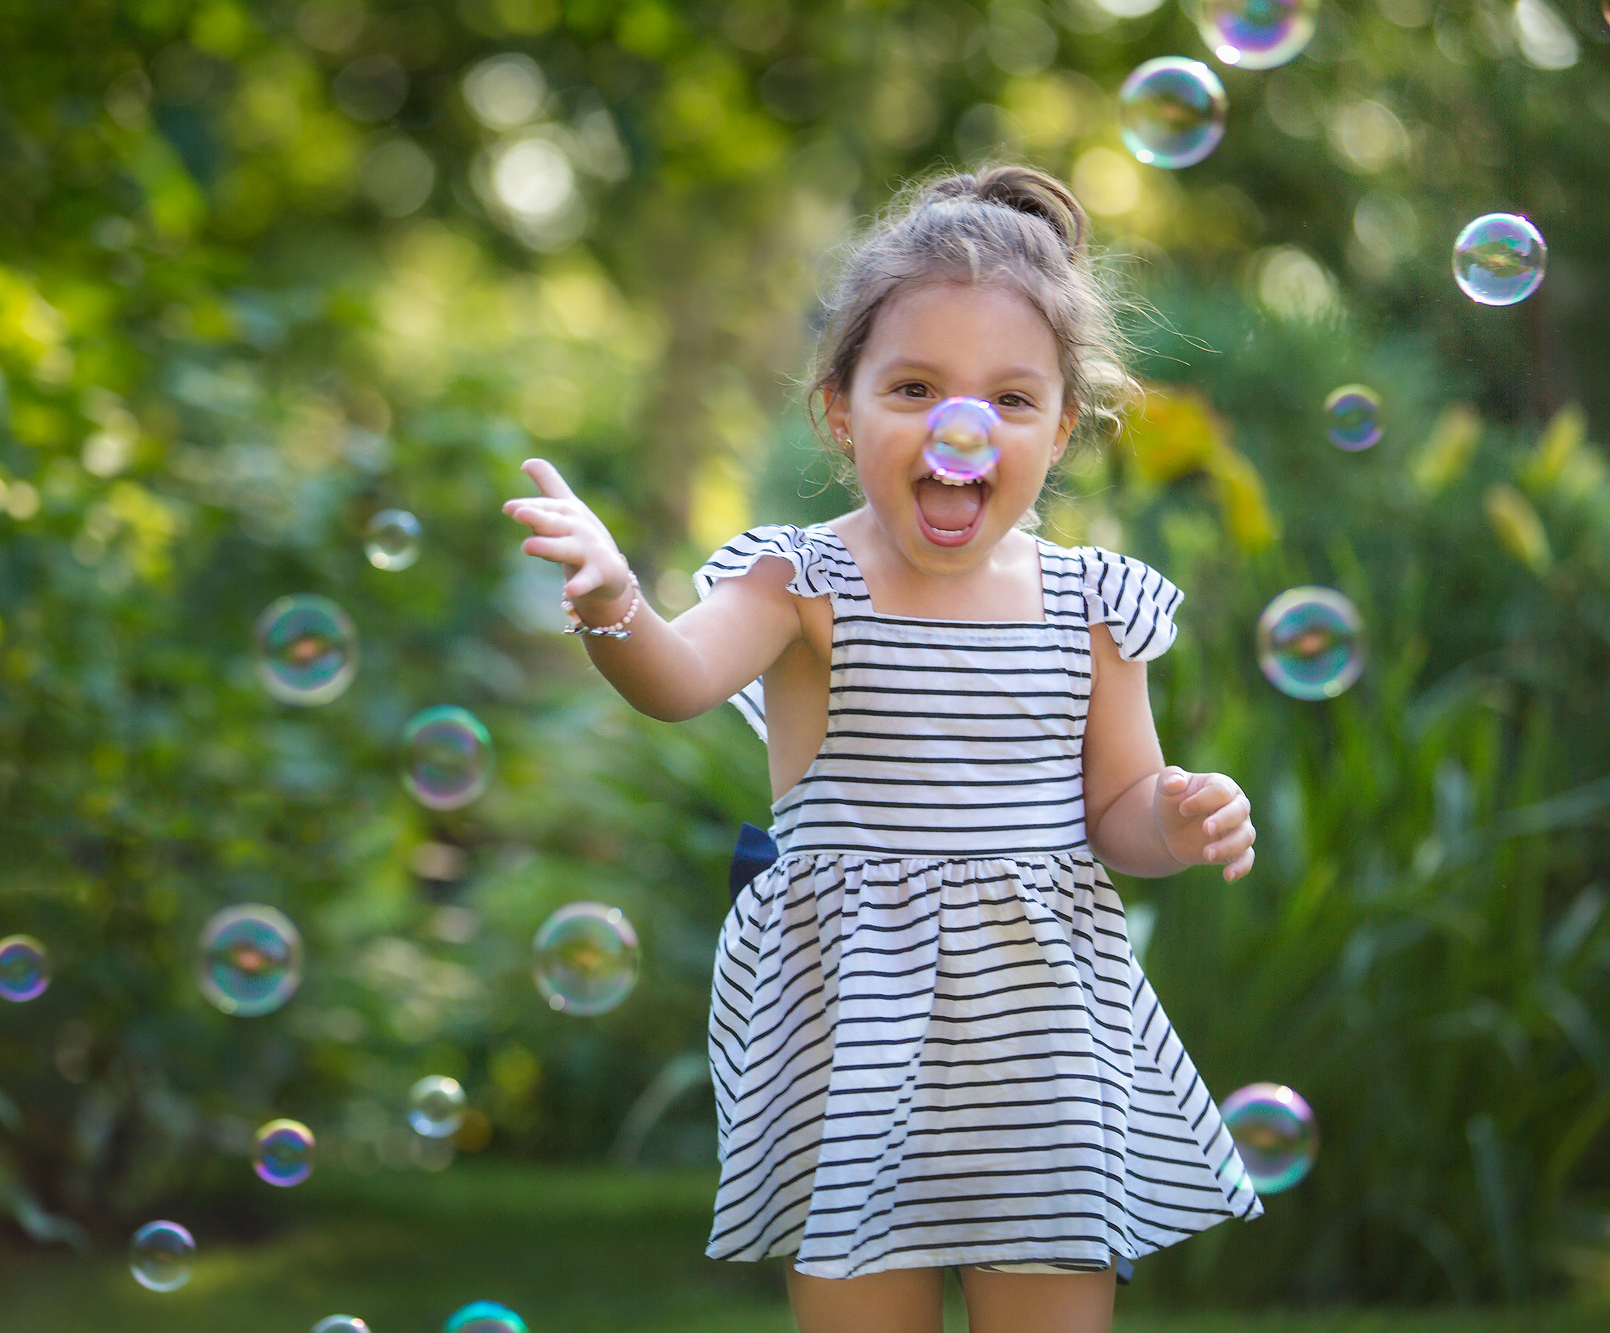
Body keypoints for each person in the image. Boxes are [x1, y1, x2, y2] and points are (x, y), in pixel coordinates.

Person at [503, 163, 1260, 1333]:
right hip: (847, 1029)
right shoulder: (799, 581)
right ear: (839, 409)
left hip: (1039, 1037)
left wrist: (1174, 815)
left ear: (1061, 429)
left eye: (1009, 401)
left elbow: (1116, 810)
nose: (960, 429)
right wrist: (614, 600)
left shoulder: (1094, 605)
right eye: (914, 387)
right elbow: (674, 678)